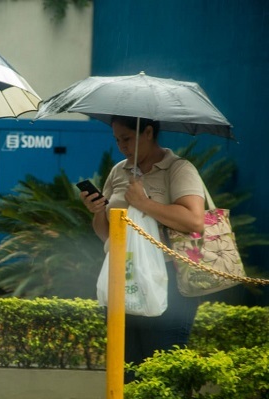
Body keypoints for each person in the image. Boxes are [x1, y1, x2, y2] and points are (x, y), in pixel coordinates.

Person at [80, 115, 205, 382]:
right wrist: (98, 211)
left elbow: (195, 221)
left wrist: (144, 203)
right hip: (123, 276)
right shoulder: (118, 171)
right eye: (117, 140)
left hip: (170, 279)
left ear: (148, 132)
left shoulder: (178, 169)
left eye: (127, 139)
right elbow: (107, 236)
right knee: (124, 368)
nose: (122, 147)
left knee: (162, 368)